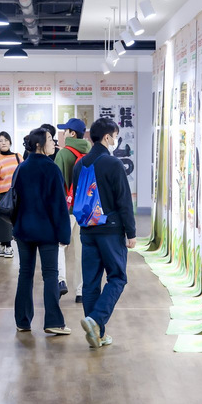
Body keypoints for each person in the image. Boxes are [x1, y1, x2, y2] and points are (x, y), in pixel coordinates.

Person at [73, 118, 136, 349]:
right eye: (115, 136)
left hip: (87, 230)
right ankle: (96, 319)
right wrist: (131, 232)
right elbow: (124, 200)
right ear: (107, 137)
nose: (115, 140)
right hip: (110, 230)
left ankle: (97, 335)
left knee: (90, 282)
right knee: (117, 277)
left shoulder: (80, 165)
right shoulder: (113, 163)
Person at [12, 128, 71, 335]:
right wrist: (64, 234)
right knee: (50, 275)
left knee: (25, 274)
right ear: (38, 144)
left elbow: (14, 201)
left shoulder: (21, 168)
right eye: (49, 139)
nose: (53, 142)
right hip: (47, 231)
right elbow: (59, 205)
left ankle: (22, 321)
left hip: (23, 229)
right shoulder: (51, 168)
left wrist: (16, 226)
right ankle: (53, 321)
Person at [54, 118, 91, 303]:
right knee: (82, 250)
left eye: (65, 130)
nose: (63, 133)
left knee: (59, 246)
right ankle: (81, 291)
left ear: (72, 134)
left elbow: (56, 184)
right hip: (86, 210)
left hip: (67, 209)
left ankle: (61, 280)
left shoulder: (63, 154)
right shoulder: (91, 153)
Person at [0, 131, 21, 258]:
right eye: (0, 141)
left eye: (6, 140)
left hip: (17, 194)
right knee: (4, 222)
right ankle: (7, 245)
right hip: (3, 195)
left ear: (10, 142)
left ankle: (4, 244)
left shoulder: (18, 157)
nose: (3, 143)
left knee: (16, 221)